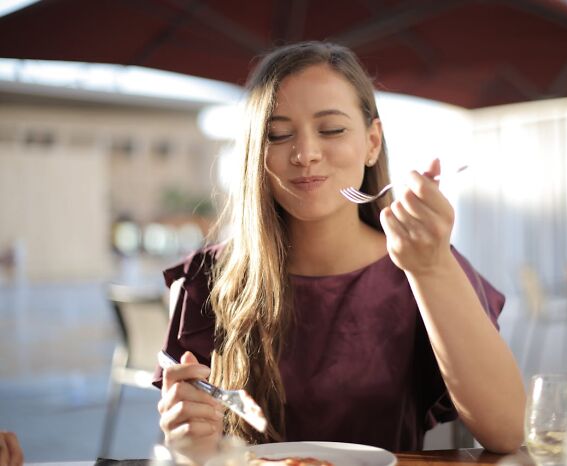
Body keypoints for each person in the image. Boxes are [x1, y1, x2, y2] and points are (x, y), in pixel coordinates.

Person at [154, 41, 525, 463]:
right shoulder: (208, 279)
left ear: (372, 142)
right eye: (278, 135)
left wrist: (431, 267)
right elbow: (194, 446)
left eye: (331, 129)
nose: (306, 154)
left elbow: (507, 430)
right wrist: (189, 444)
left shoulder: (424, 264)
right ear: (256, 154)